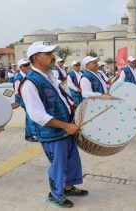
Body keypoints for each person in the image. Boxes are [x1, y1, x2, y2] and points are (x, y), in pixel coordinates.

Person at [19, 41, 88, 208]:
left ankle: (68, 187)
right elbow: (37, 115)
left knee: (71, 160)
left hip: (66, 128)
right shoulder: (30, 83)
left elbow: (64, 100)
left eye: (53, 52)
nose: (53, 56)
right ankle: (56, 195)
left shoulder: (51, 76)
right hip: (52, 133)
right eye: (48, 53)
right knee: (58, 165)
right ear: (35, 57)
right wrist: (65, 125)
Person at [14, 59, 37, 142]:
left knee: (30, 117)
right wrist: (27, 99)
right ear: (20, 67)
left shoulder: (28, 75)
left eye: (28, 64)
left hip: (30, 100)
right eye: (25, 65)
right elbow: (17, 92)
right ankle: (29, 135)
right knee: (30, 118)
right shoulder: (18, 78)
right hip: (25, 101)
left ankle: (31, 134)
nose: (28, 66)